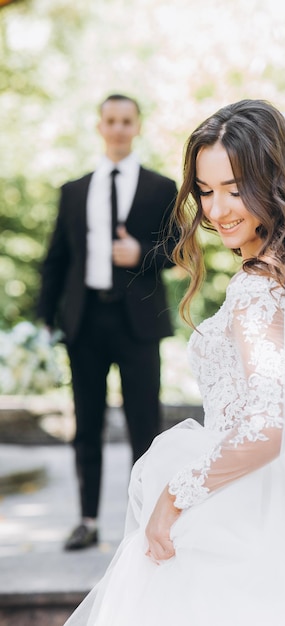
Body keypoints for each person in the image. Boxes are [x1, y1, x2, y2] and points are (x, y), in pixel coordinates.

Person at [63, 100, 285, 625]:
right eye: (205, 191)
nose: (217, 209)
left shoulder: (257, 287)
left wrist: (176, 496)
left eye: (234, 188)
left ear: (274, 182)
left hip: (245, 506)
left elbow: (267, 423)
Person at [37, 94, 177, 551]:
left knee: (145, 425)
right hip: (85, 320)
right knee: (87, 425)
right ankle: (88, 519)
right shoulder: (74, 190)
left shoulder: (161, 187)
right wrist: (44, 318)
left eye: (126, 121)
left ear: (137, 126)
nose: (118, 128)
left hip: (138, 322)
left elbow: (179, 250)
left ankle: (145, 522)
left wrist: (142, 254)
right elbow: (56, 259)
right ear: (99, 126)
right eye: (110, 121)